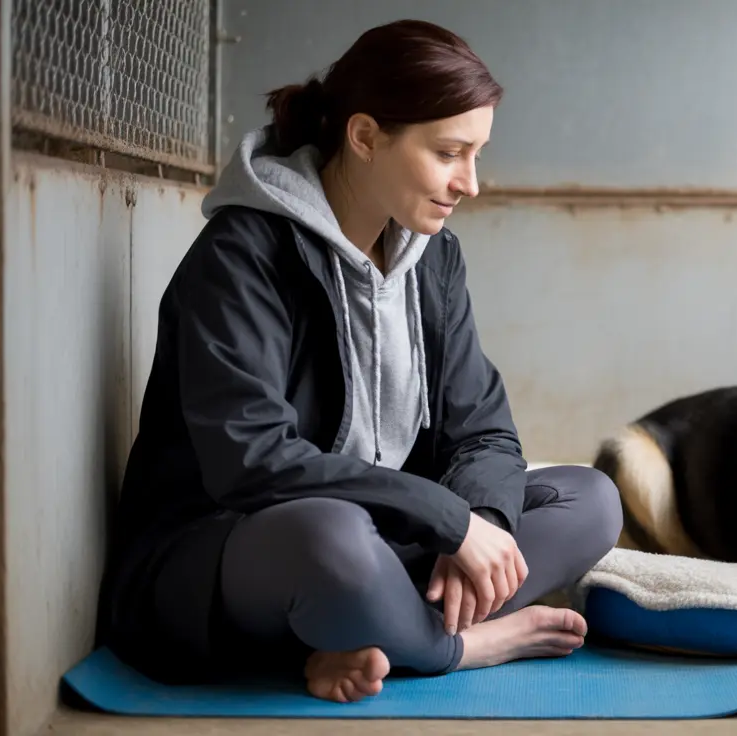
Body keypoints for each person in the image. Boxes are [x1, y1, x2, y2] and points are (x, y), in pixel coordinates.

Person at [95, 19, 623, 703]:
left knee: (592, 500)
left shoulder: (435, 259)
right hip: (230, 552)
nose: (471, 183)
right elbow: (251, 460)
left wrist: (481, 523)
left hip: (383, 542)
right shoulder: (241, 254)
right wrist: (444, 519)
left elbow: (485, 431)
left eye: (476, 155)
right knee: (332, 541)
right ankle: (450, 648)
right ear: (366, 136)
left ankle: (358, 633)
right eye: (448, 153)